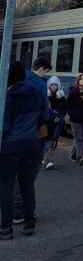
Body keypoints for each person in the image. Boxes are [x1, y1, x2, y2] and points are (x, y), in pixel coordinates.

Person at [0, 61, 46, 240]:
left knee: (6, 186)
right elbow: (44, 116)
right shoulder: (36, 92)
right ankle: (29, 223)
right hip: (32, 144)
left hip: (9, 146)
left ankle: (5, 229)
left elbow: (5, 124)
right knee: (27, 184)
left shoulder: (6, 96)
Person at [12, 56, 51, 226]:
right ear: (42, 68)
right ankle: (25, 213)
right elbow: (44, 114)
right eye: (47, 71)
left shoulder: (19, 79)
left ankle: (12, 213)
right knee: (28, 178)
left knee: (12, 177)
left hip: (12, 138)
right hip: (32, 137)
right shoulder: (40, 85)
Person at [67, 74, 83, 166]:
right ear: (78, 81)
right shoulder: (73, 91)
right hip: (75, 119)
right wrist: (72, 114)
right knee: (79, 137)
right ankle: (82, 155)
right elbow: (68, 104)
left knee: (78, 137)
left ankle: (73, 155)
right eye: (81, 79)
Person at [43, 76, 67, 170]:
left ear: (58, 86)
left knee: (53, 140)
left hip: (57, 122)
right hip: (46, 122)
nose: (53, 87)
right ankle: (43, 158)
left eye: (55, 85)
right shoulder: (46, 96)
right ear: (48, 86)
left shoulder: (61, 97)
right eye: (52, 85)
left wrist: (59, 116)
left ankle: (48, 160)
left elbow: (64, 109)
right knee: (44, 140)